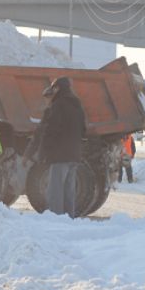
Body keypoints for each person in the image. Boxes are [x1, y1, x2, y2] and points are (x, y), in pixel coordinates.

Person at [34, 76, 86, 218]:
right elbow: (83, 130)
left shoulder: (58, 105)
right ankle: (69, 218)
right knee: (69, 190)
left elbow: (51, 130)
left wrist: (44, 152)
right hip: (74, 154)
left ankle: (55, 220)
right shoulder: (77, 105)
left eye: (54, 88)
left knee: (55, 190)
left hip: (60, 155)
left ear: (58, 88)